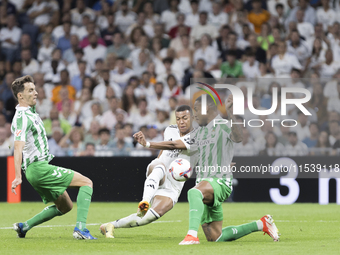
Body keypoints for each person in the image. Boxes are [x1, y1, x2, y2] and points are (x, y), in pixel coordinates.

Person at [136, 95, 279, 245]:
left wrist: (230, 112)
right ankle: (261, 224)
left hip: (220, 181)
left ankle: (191, 236)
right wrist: (147, 144)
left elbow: (237, 137)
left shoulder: (223, 125)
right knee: (215, 237)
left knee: (194, 192)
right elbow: (174, 145)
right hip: (205, 183)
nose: (194, 114)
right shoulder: (199, 133)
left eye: (196, 110)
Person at [10, 75, 96, 240]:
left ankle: (24, 227)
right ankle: (80, 229)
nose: (36, 93)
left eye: (35, 89)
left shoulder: (30, 112)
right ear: (20, 96)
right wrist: (17, 176)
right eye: (30, 90)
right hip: (38, 168)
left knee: (65, 206)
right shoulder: (22, 117)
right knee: (86, 183)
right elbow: (17, 147)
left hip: (37, 170)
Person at [99, 105, 197, 237]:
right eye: (178, 118)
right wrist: (156, 162)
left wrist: (148, 144)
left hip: (174, 185)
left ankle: (109, 225)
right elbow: (164, 150)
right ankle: (145, 201)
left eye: (185, 118)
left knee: (150, 216)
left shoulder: (198, 136)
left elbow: (173, 145)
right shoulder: (170, 129)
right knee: (160, 166)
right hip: (159, 170)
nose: (181, 122)